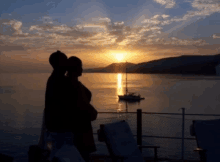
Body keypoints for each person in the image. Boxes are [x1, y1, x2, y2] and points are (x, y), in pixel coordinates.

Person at [38, 50, 73, 151]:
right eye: (65, 61)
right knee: (63, 155)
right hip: (60, 129)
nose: (67, 63)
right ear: (60, 63)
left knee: (54, 154)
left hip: (53, 127)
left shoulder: (53, 79)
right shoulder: (60, 81)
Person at [66, 56, 98, 162]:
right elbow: (81, 106)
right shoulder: (73, 85)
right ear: (74, 68)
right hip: (79, 130)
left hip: (80, 128)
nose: (82, 69)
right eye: (80, 66)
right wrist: (93, 112)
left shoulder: (73, 84)